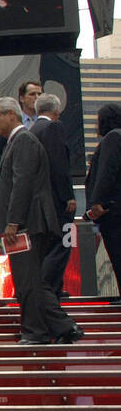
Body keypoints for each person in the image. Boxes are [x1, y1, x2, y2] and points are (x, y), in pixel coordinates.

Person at [0, 97, 83, 344]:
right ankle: (63, 327)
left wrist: (13, 222)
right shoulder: (18, 141)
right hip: (25, 224)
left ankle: (36, 332)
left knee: (28, 281)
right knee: (32, 281)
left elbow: (23, 183)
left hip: (26, 225)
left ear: (11, 114)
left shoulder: (23, 141)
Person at [29, 93, 76, 297]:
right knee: (65, 241)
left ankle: (49, 288)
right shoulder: (54, 127)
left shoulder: (32, 130)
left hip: (39, 204)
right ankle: (48, 287)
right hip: (58, 201)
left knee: (46, 246)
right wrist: (68, 196)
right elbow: (59, 165)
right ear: (57, 110)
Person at [86, 103, 121, 300]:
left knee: (117, 253)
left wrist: (96, 201)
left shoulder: (113, 137)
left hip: (113, 211)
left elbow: (107, 172)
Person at [0, 79, 42, 167]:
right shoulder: (11, 122)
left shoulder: (46, 123)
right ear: (22, 98)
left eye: (39, 94)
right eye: (32, 94)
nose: (37, 97)